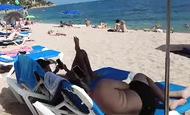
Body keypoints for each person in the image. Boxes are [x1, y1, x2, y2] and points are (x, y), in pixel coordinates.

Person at [39, 37, 190, 115]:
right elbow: (127, 86)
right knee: (141, 77)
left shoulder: (86, 96)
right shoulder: (104, 84)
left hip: (130, 109)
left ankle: (173, 94)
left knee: (138, 89)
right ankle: (169, 101)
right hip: (146, 108)